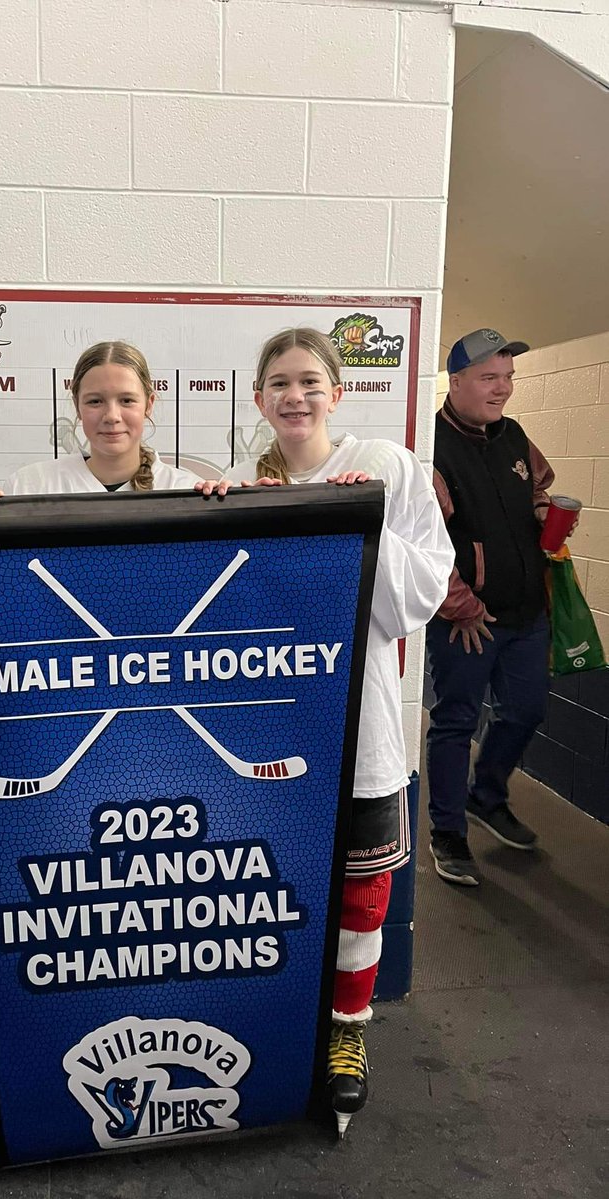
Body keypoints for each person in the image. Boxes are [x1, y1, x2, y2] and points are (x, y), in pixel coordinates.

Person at [210, 326, 454, 1136]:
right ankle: (280, 1025)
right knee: (271, 886)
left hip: (360, 726)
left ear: (338, 391)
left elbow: (415, 598)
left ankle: (348, 1032)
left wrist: (359, 520)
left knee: (360, 891)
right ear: (258, 399)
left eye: (311, 380)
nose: (295, 395)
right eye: (279, 382)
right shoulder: (247, 481)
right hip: (271, 730)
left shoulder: (386, 466)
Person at [426, 329, 558, 888]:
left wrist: (546, 510)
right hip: (468, 619)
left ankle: (487, 796)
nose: (502, 389)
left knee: (525, 711)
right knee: (456, 722)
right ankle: (447, 833)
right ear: (455, 382)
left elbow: (540, 485)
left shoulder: (514, 435)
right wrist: (460, 605)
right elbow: (425, 536)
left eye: (507, 378)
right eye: (488, 378)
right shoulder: (430, 446)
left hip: (527, 612)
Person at [0, 340, 202, 495]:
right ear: (77, 406)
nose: (112, 416)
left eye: (127, 400)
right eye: (95, 401)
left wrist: (226, 504)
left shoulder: (186, 490)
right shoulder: (28, 487)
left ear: (148, 405)